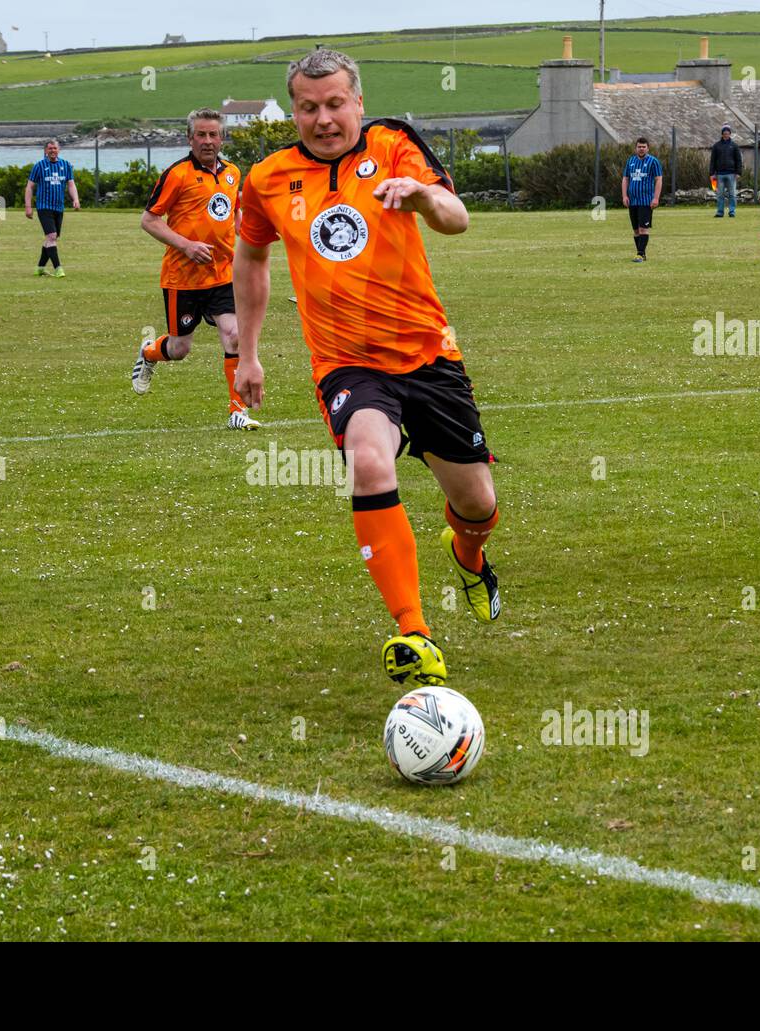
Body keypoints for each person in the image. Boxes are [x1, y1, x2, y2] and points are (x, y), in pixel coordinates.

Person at [234, 49, 501, 688]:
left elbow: (457, 219)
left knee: (478, 505)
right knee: (370, 460)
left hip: (429, 356)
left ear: (358, 100)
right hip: (348, 364)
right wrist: (246, 352)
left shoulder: (395, 144)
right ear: (293, 109)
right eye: (308, 107)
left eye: (335, 104)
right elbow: (249, 259)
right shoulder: (268, 178)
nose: (323, 119)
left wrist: (420, 197)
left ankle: (466, 553)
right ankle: (414, 631)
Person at [130, 108, 258, 430]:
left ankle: (237, 412)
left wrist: (251, 236)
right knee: (179, 348)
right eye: (200, 135)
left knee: (234, 336)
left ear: (222, 138)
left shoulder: (232, 172)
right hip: (182, 278)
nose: (207, 141)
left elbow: (234, 213)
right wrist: (186, 245)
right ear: (189, 138)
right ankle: (148, 353)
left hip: (223, 275)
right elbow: (149, 220)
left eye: (213, 134)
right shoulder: (176, 174)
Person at [25, 138, 78, 277]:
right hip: (44, 207)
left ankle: (40, 268)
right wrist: (28, 206)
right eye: (50, 148)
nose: (52, 151)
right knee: (52, 236)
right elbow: (30, 187)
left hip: (59, 207)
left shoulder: (66, 165)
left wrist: (76, 199)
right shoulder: (39, 166)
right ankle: (58, 268)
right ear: (45, 151)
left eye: (54, 148)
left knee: (51, 239)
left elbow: (71, 184)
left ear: (58, 149)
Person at [621, 137, 662, 262]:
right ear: (636, 148)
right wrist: (624, 196)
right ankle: (641, 254)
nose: (641, 149)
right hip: (633, 201)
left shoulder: (653, 161)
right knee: (636, 230)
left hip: (646, 201)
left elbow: (658, 179)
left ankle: (640, 254)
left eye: (644, 147)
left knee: (643, 228)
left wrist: (656, 198)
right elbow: (625, 179)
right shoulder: (631, 161)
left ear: (648, 148)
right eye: (639, 146)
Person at [709, 123, 742, 218]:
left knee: (732, 194)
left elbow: (738, 160)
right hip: (719, 174)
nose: (726, 134)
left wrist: (738, 172)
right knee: (720, 195)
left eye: (727, 132)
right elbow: (712, 161)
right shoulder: (716, 146)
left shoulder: (734, 146)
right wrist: (711, 173)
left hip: (732, 174)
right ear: (722, 134)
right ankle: (720, 212)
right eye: (724, 132)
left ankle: (732, 211)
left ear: (730, 133)